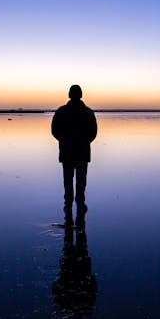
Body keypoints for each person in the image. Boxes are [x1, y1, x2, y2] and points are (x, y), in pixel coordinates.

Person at [51, 84, 97, 226]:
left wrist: (64, 140)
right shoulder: (87, 112)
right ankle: (78, 205)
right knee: (79, 181)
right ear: (80, 95)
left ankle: (69, 205)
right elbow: (93, 133)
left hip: (68, 152)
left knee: (69, 181)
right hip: (80, 152)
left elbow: (54, 131)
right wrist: (83, 141)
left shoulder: (62, 111)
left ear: (69, 95)